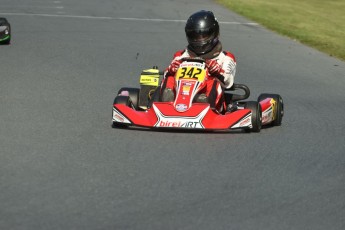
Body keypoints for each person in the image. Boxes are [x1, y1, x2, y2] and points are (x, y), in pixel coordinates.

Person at [160, 10, 237, 112]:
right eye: (195, 37)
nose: (198, 40)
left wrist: (217, 71)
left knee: (214, 82)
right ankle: (164, 104)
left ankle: (203, 103)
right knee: (169, 78)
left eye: (203, 36)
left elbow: (228, 82)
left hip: (212, 102)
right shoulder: (181, 55)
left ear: (214, 33)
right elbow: (166, 74)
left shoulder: (226, 57)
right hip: (179, 94)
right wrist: (171, 69)